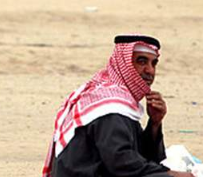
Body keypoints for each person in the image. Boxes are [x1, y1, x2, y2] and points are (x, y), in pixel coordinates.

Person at [42, 34, 193, 177]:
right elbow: (121, 163)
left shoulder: (121, 102)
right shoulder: (109, 105)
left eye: (153, 64)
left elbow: (142, 159)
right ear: (124, 65)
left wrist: (154, 123)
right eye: (141, 62)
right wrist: (170, 174)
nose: (150, 71)